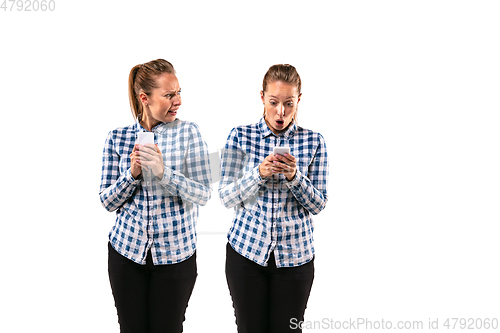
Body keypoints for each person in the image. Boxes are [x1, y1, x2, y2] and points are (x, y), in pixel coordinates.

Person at [99, 59, 212, 333]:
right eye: (169, 95)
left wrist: (164, 173)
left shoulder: (190, 133)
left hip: (175, 260)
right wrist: (133, 174)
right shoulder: (117, 138)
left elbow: (204, 193)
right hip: (126, 256)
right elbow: (107, 201)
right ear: (144, 98)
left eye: (179, 92)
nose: (179, 101)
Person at [219, 64, 329, 333]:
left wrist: (295, 177)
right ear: (262, 97)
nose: (281, 112)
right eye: (274, 102)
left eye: (289, 103)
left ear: (298, 100)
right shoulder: (240, 136)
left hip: (295, 259)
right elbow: (226, 196)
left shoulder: (314, 142)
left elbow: (318, 204)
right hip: (246, 255)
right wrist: (258, 173)